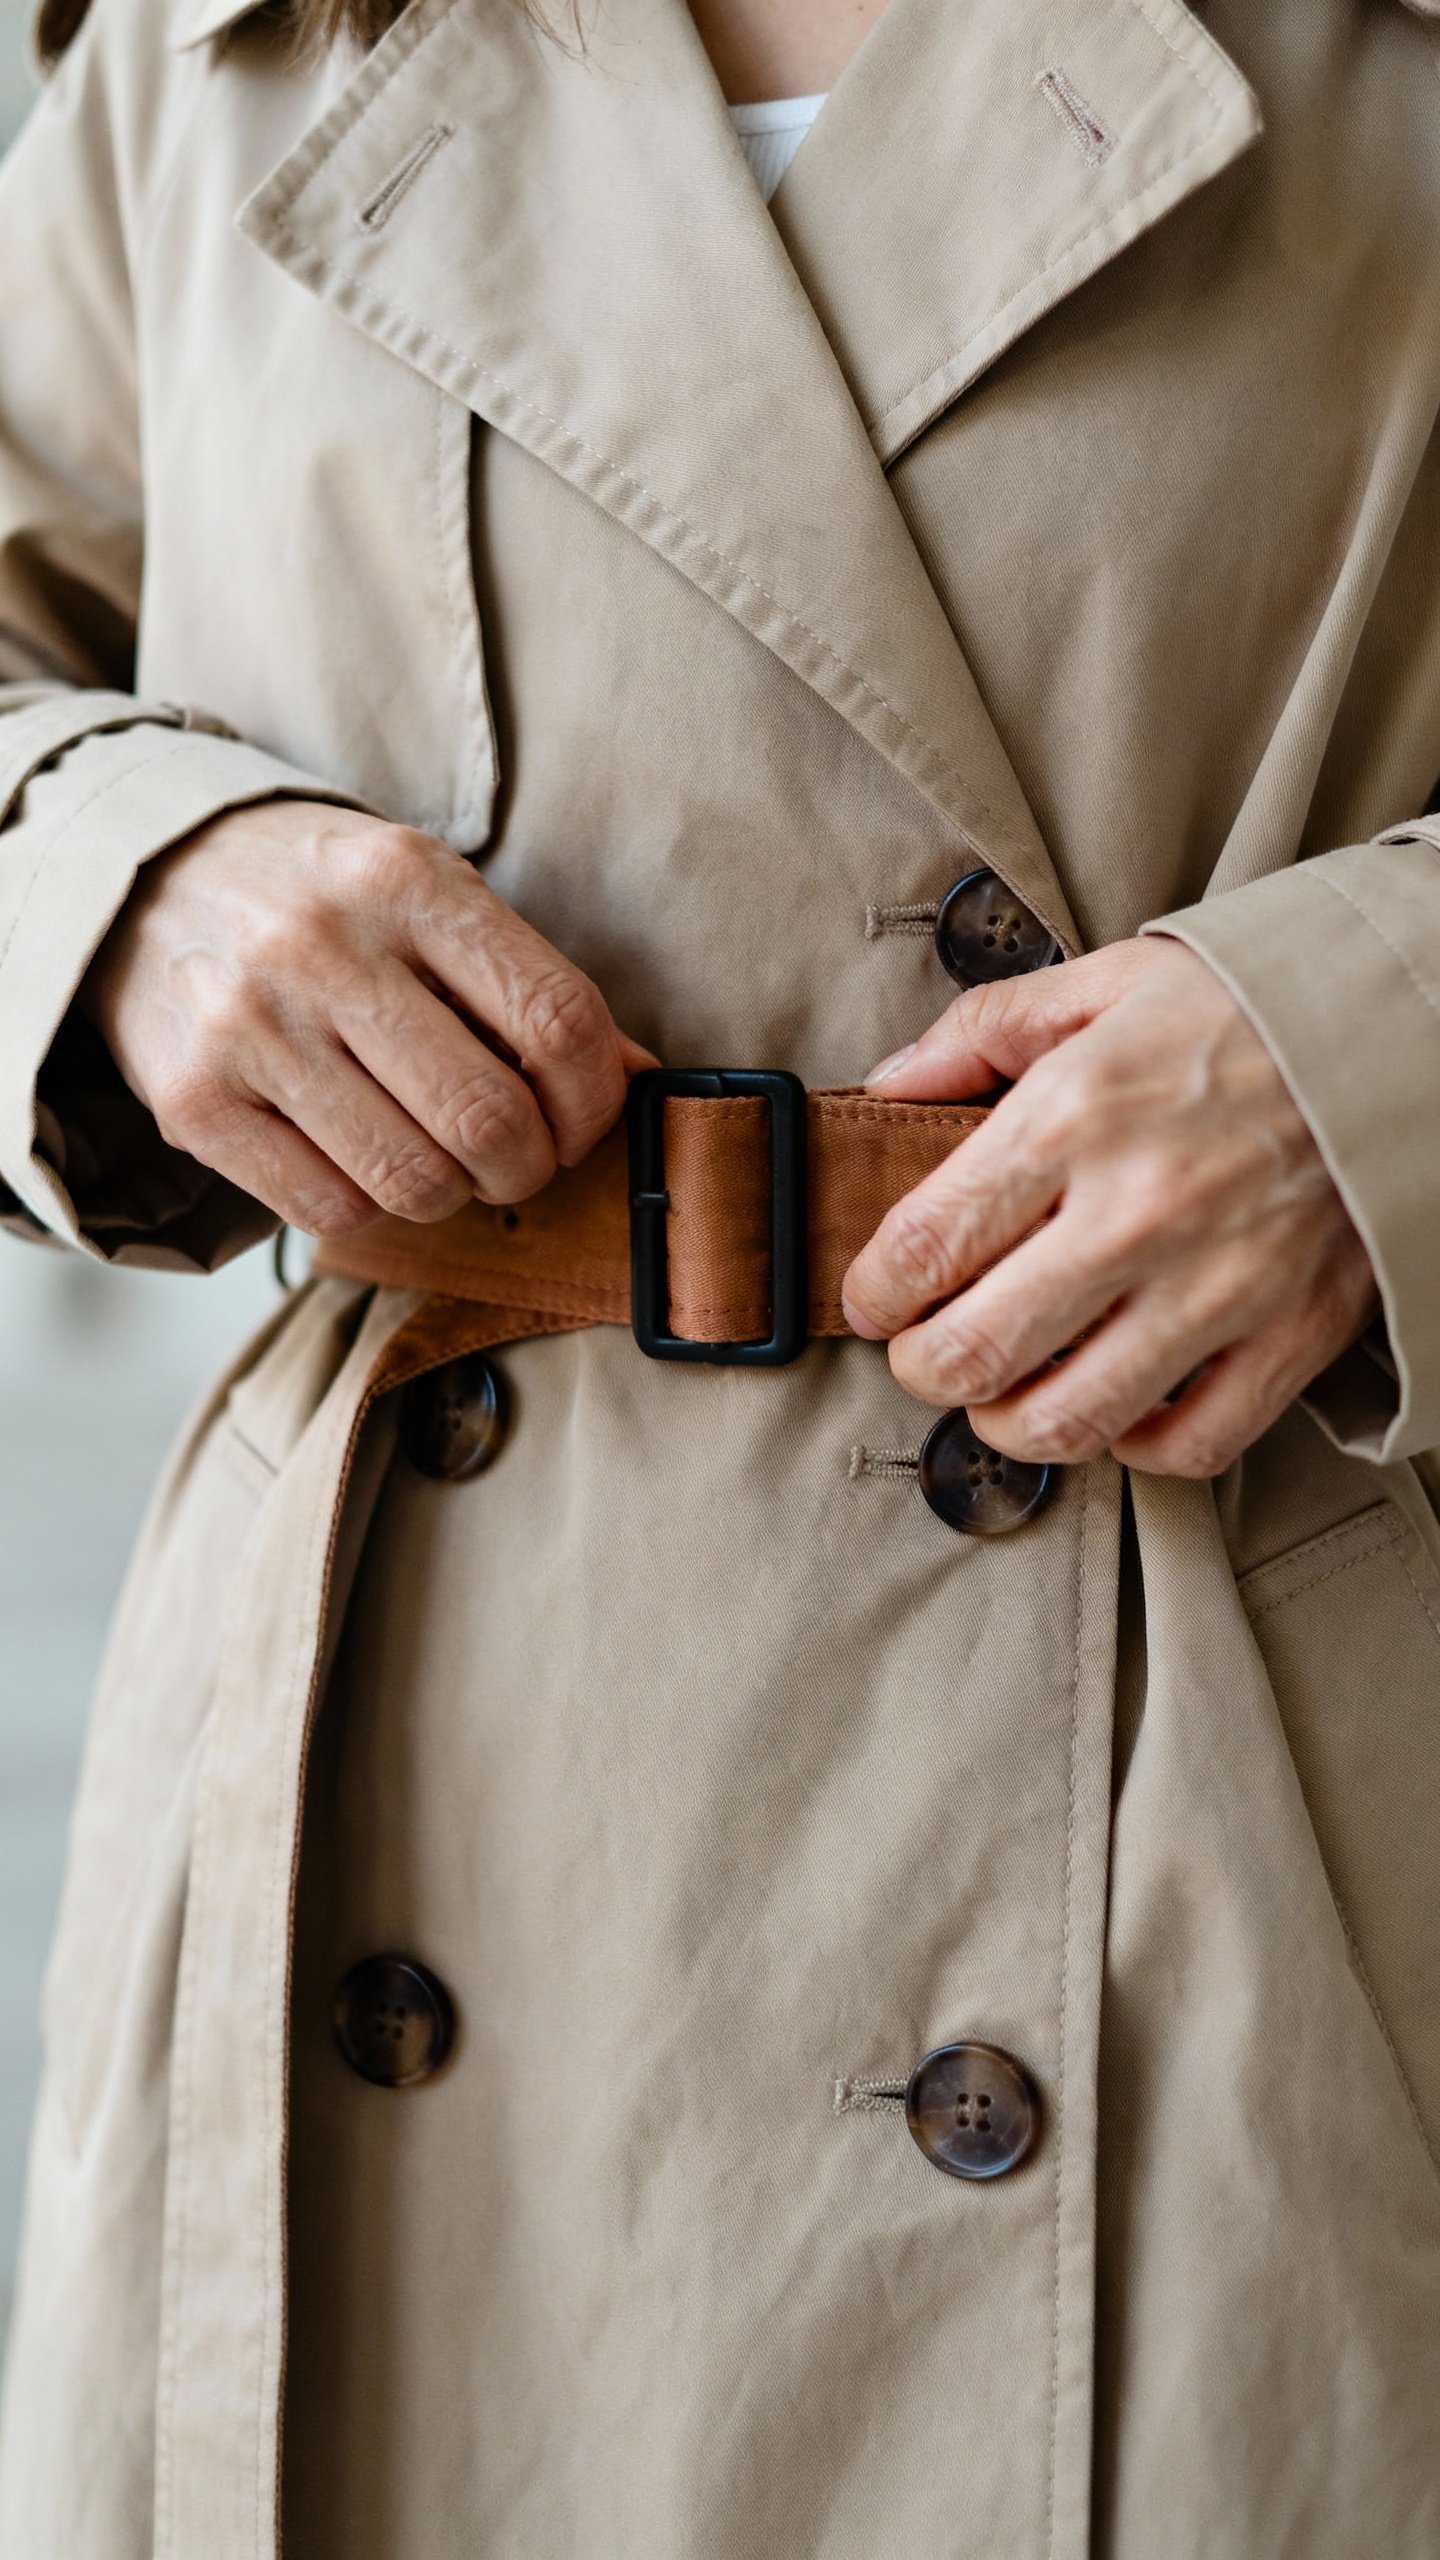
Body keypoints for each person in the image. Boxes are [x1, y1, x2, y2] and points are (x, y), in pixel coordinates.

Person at [1, 0, 1438, 2548]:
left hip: (1242, 1789)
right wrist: (105, 880)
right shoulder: (211, 35)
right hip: (410, 1777)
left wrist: (1387, 1063)